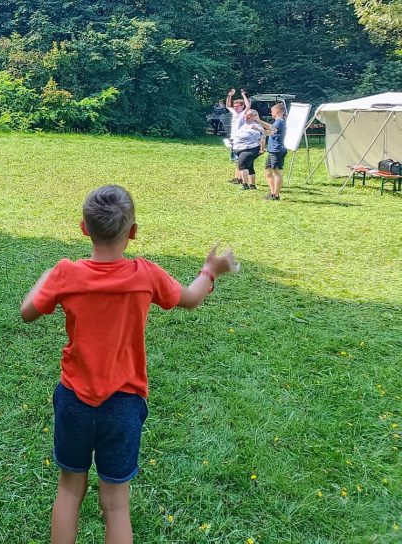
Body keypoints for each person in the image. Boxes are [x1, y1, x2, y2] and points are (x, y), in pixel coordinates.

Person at [19, 185, 237, 544]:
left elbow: (27, 312)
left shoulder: (64, 273)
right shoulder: (145, 274)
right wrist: (210, 270)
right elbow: (192, 298)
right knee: (116, 504)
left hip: (74, 400)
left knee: (70, 490)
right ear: (132, 232)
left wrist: (46, 279)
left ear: (83, 228)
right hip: (124, 404)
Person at [232, 109, 264, 191]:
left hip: (250, 149)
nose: (246, 116)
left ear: (255, 117)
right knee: (249, 167)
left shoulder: (256, 126)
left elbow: (262, 138)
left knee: (242, 165)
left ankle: (245, 184)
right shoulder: (244, 125)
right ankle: (252, 185)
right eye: (246, 115)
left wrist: (262, 149)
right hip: (240, 148)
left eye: (249, 115)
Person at [261, 103, 287, 201]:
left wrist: (258, 120)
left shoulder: (280, 122)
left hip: (277, 150)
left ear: (278, 111)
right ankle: (272, 192)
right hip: (272, 150)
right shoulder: (277, 122)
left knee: (277, 172)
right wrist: (259, 131)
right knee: (267, 171)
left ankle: (276, 195)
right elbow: (272, 132)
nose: (271, 112)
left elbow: (272, 129)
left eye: (272, 110)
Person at [224, 88, 251, 184]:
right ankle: (237, 177)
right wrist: (230, 95)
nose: (235, 108)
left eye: (237, 106)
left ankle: (240, 178)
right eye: (234, 106)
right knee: (235, 159)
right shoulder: (235, 113)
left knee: (239, 159)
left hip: (240, 139)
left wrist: (244, 95)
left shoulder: (243, 113)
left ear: (242, 106)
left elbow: (248, 106)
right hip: (233, 138)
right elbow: (228, 105)